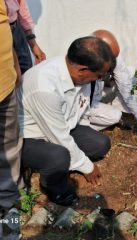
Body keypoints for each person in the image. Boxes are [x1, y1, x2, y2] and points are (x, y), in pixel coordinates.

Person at [17, 36, 116, 206]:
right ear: (83, 70)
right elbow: (59, 137)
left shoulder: (79, 76)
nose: (100, 79)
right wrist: (87, 166)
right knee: (58, 155)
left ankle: (61, 164)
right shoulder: (45, 87)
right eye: (99, 75)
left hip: (58, 127)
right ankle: (53, 187)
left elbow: (76, 114)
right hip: (26, 137)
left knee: (100, 144)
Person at [84, 29, 137, 133]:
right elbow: (83, 105)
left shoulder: (114, 58)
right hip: (86, 102)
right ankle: (92, 128)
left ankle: (121, 115)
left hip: (103, 87)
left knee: (131, 74)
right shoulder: (82, 71)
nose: (114, 62)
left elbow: (125, 86)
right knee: (111, 116)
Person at [0, 0, 22, 236]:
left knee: (8, 147)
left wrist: (14, 64)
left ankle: (8, 207)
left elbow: (4, 22)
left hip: (5, 83)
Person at [5, 0, 46, 73]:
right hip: (3, 35)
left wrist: (33, 44)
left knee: (26, 68)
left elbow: (21, 6)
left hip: (16, 30)